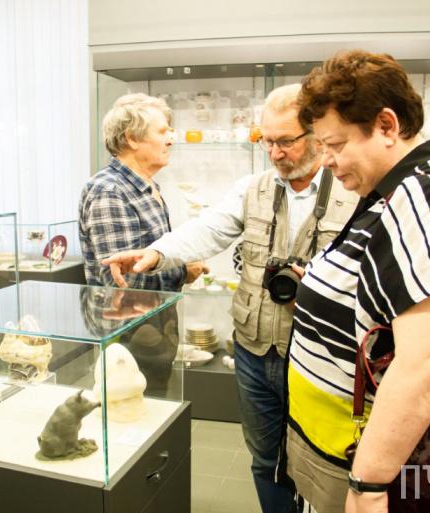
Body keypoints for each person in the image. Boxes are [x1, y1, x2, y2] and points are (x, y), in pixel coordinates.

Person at [102, 83, 358, 513]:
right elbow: (208, 229)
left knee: (322, 464)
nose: (275, 152)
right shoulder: (252, 188)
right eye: (267, 141)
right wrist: (156, 253)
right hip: (255, 354)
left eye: (285, 141)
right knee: (264, 459)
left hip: (321, 358)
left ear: (316, 134)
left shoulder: (353, 191)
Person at [285, 50, 430, 513]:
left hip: (374, 464)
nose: (326, 161)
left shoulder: (423, 194)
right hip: (343, 446)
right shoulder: (406, 186)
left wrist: (368, 484)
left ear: (387, 125)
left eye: (335, 144)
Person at [78, 92, 208, 291]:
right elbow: (122, 281)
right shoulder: (110, 191)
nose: (170, 140)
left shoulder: (146, 186)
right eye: (162, 132)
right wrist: (183, 271)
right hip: (124, 312)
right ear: (132, 138)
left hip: (156, 310)